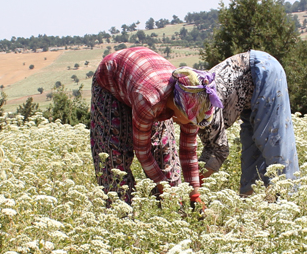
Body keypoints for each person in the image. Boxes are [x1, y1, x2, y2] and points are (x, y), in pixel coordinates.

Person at [89, 46, 219, 205]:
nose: (192, 126)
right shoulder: (150, 100)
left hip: (145, 79)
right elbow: (142, 152)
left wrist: (194, 194)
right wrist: (162, 185)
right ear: (178, 108)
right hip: (112, 81)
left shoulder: (194, 101)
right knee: (114, 161)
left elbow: (188, 150)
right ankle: (122, 217)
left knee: (165, 158)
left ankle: (172, 214)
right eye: (190, 121)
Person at [197, 50, 300, 195]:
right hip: (247, 95)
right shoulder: (190, 107)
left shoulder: (206, 110)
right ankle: (250, 205)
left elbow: (219, 150)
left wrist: (194, 190)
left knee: (273, 143)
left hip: (263, 71)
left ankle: (288, 197)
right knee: (251, 153)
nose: (174, 119)